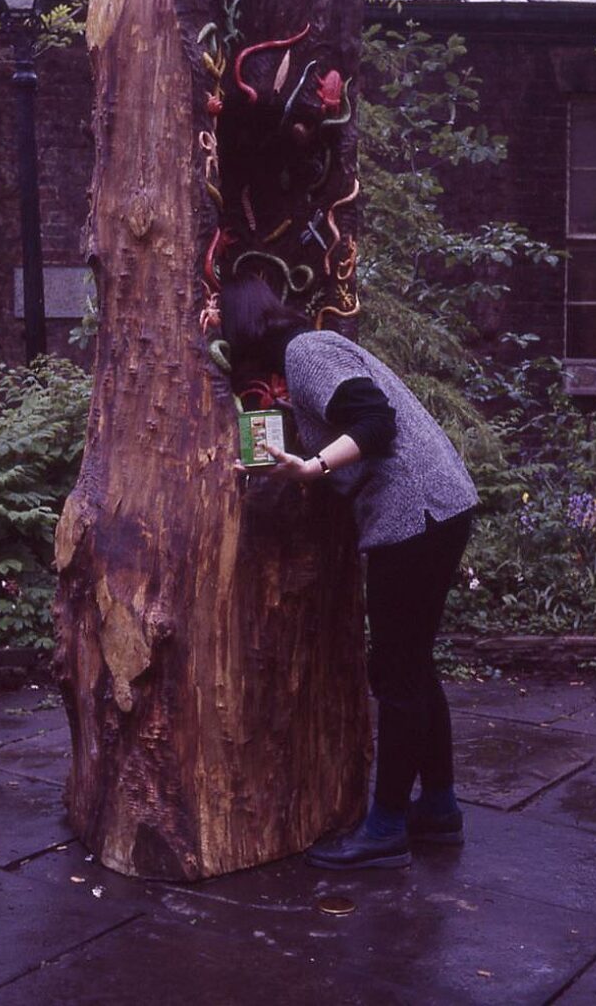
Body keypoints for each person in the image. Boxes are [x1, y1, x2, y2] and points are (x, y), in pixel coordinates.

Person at [220, 275, 479, 871]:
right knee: (410, 665)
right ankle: (438, 809)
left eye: (216, 316)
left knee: (395, 674)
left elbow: (375, 422)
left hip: (419, 513)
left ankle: (386, 825)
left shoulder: (307, 351)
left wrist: (311, 466)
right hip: (433, 510)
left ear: (240, 323)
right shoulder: (306, 359)